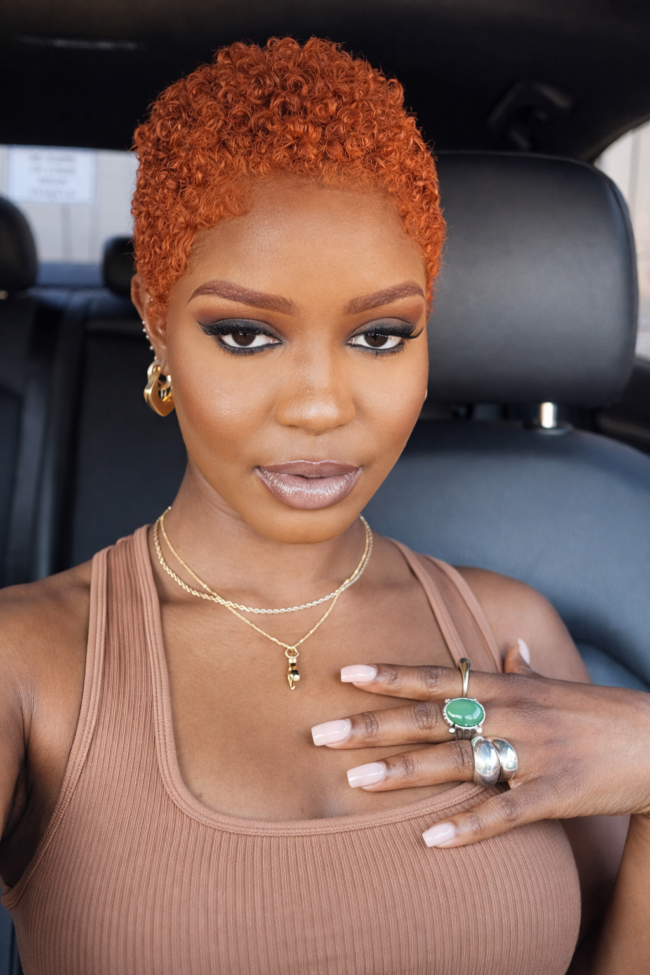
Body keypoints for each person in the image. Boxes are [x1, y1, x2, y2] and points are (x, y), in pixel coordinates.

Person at [0, 36, 648, 975]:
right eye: (245, 334)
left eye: (381, 334)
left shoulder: (516, 636)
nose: (319, 406)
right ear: (155, 320)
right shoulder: (27, 666)